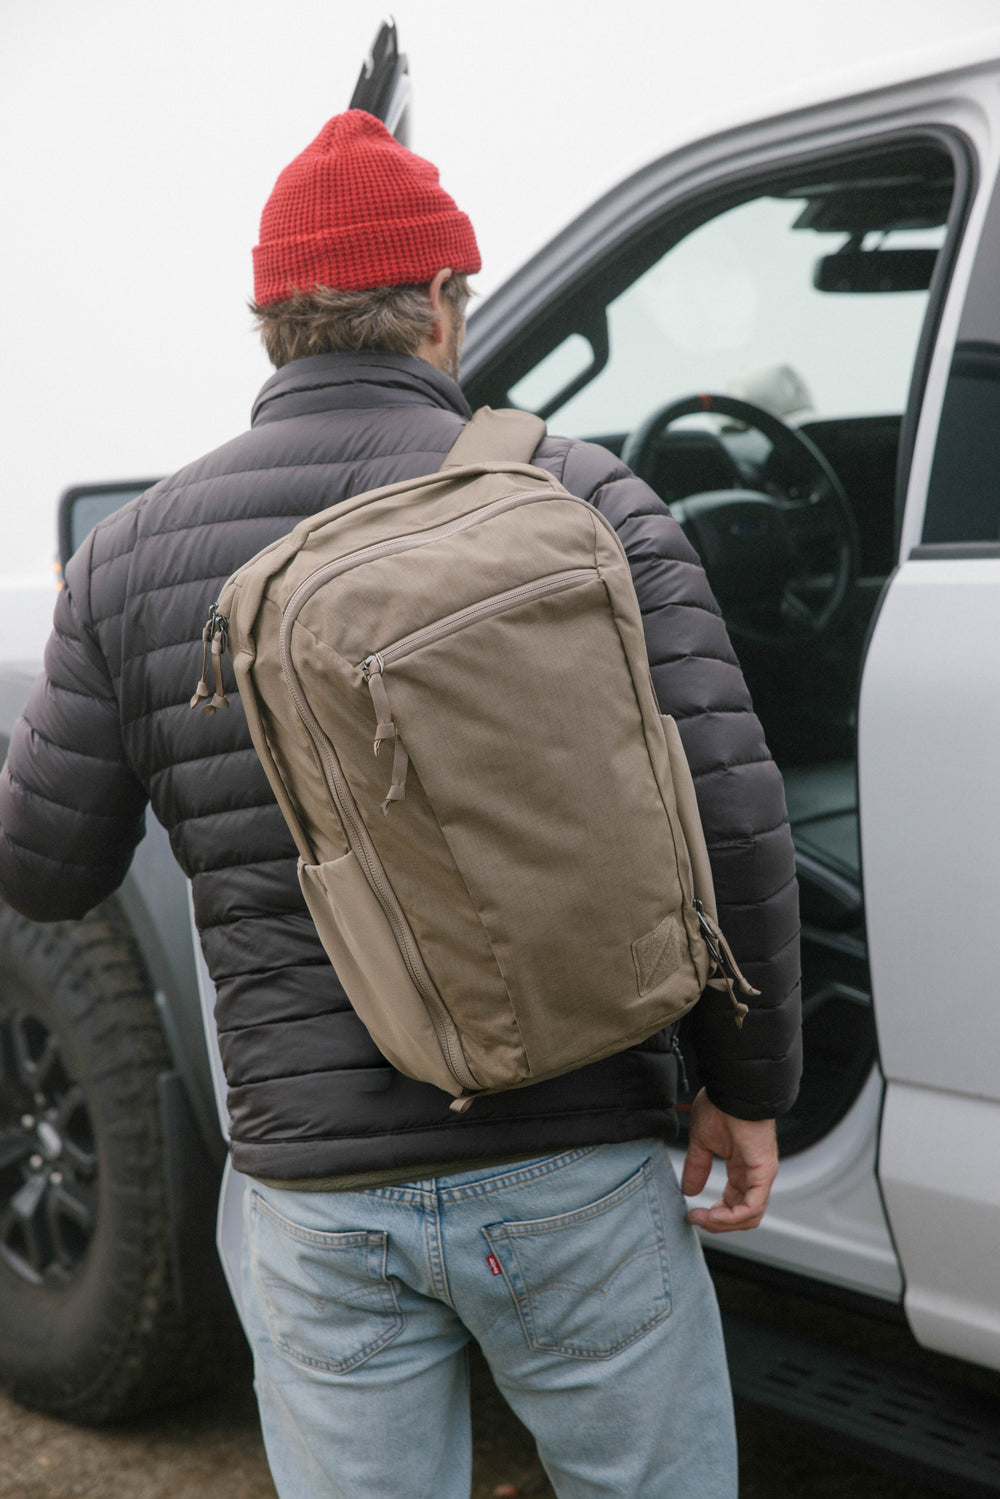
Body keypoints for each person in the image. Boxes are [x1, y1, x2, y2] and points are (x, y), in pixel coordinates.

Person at [0, 111, 800, 1498]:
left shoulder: (126, 561)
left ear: (271, 319)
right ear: (440, 306)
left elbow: (48, 870)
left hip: (314, 1197)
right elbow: (731, 816)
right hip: (578, 1155)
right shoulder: (587, 495)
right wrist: (748, 1083)